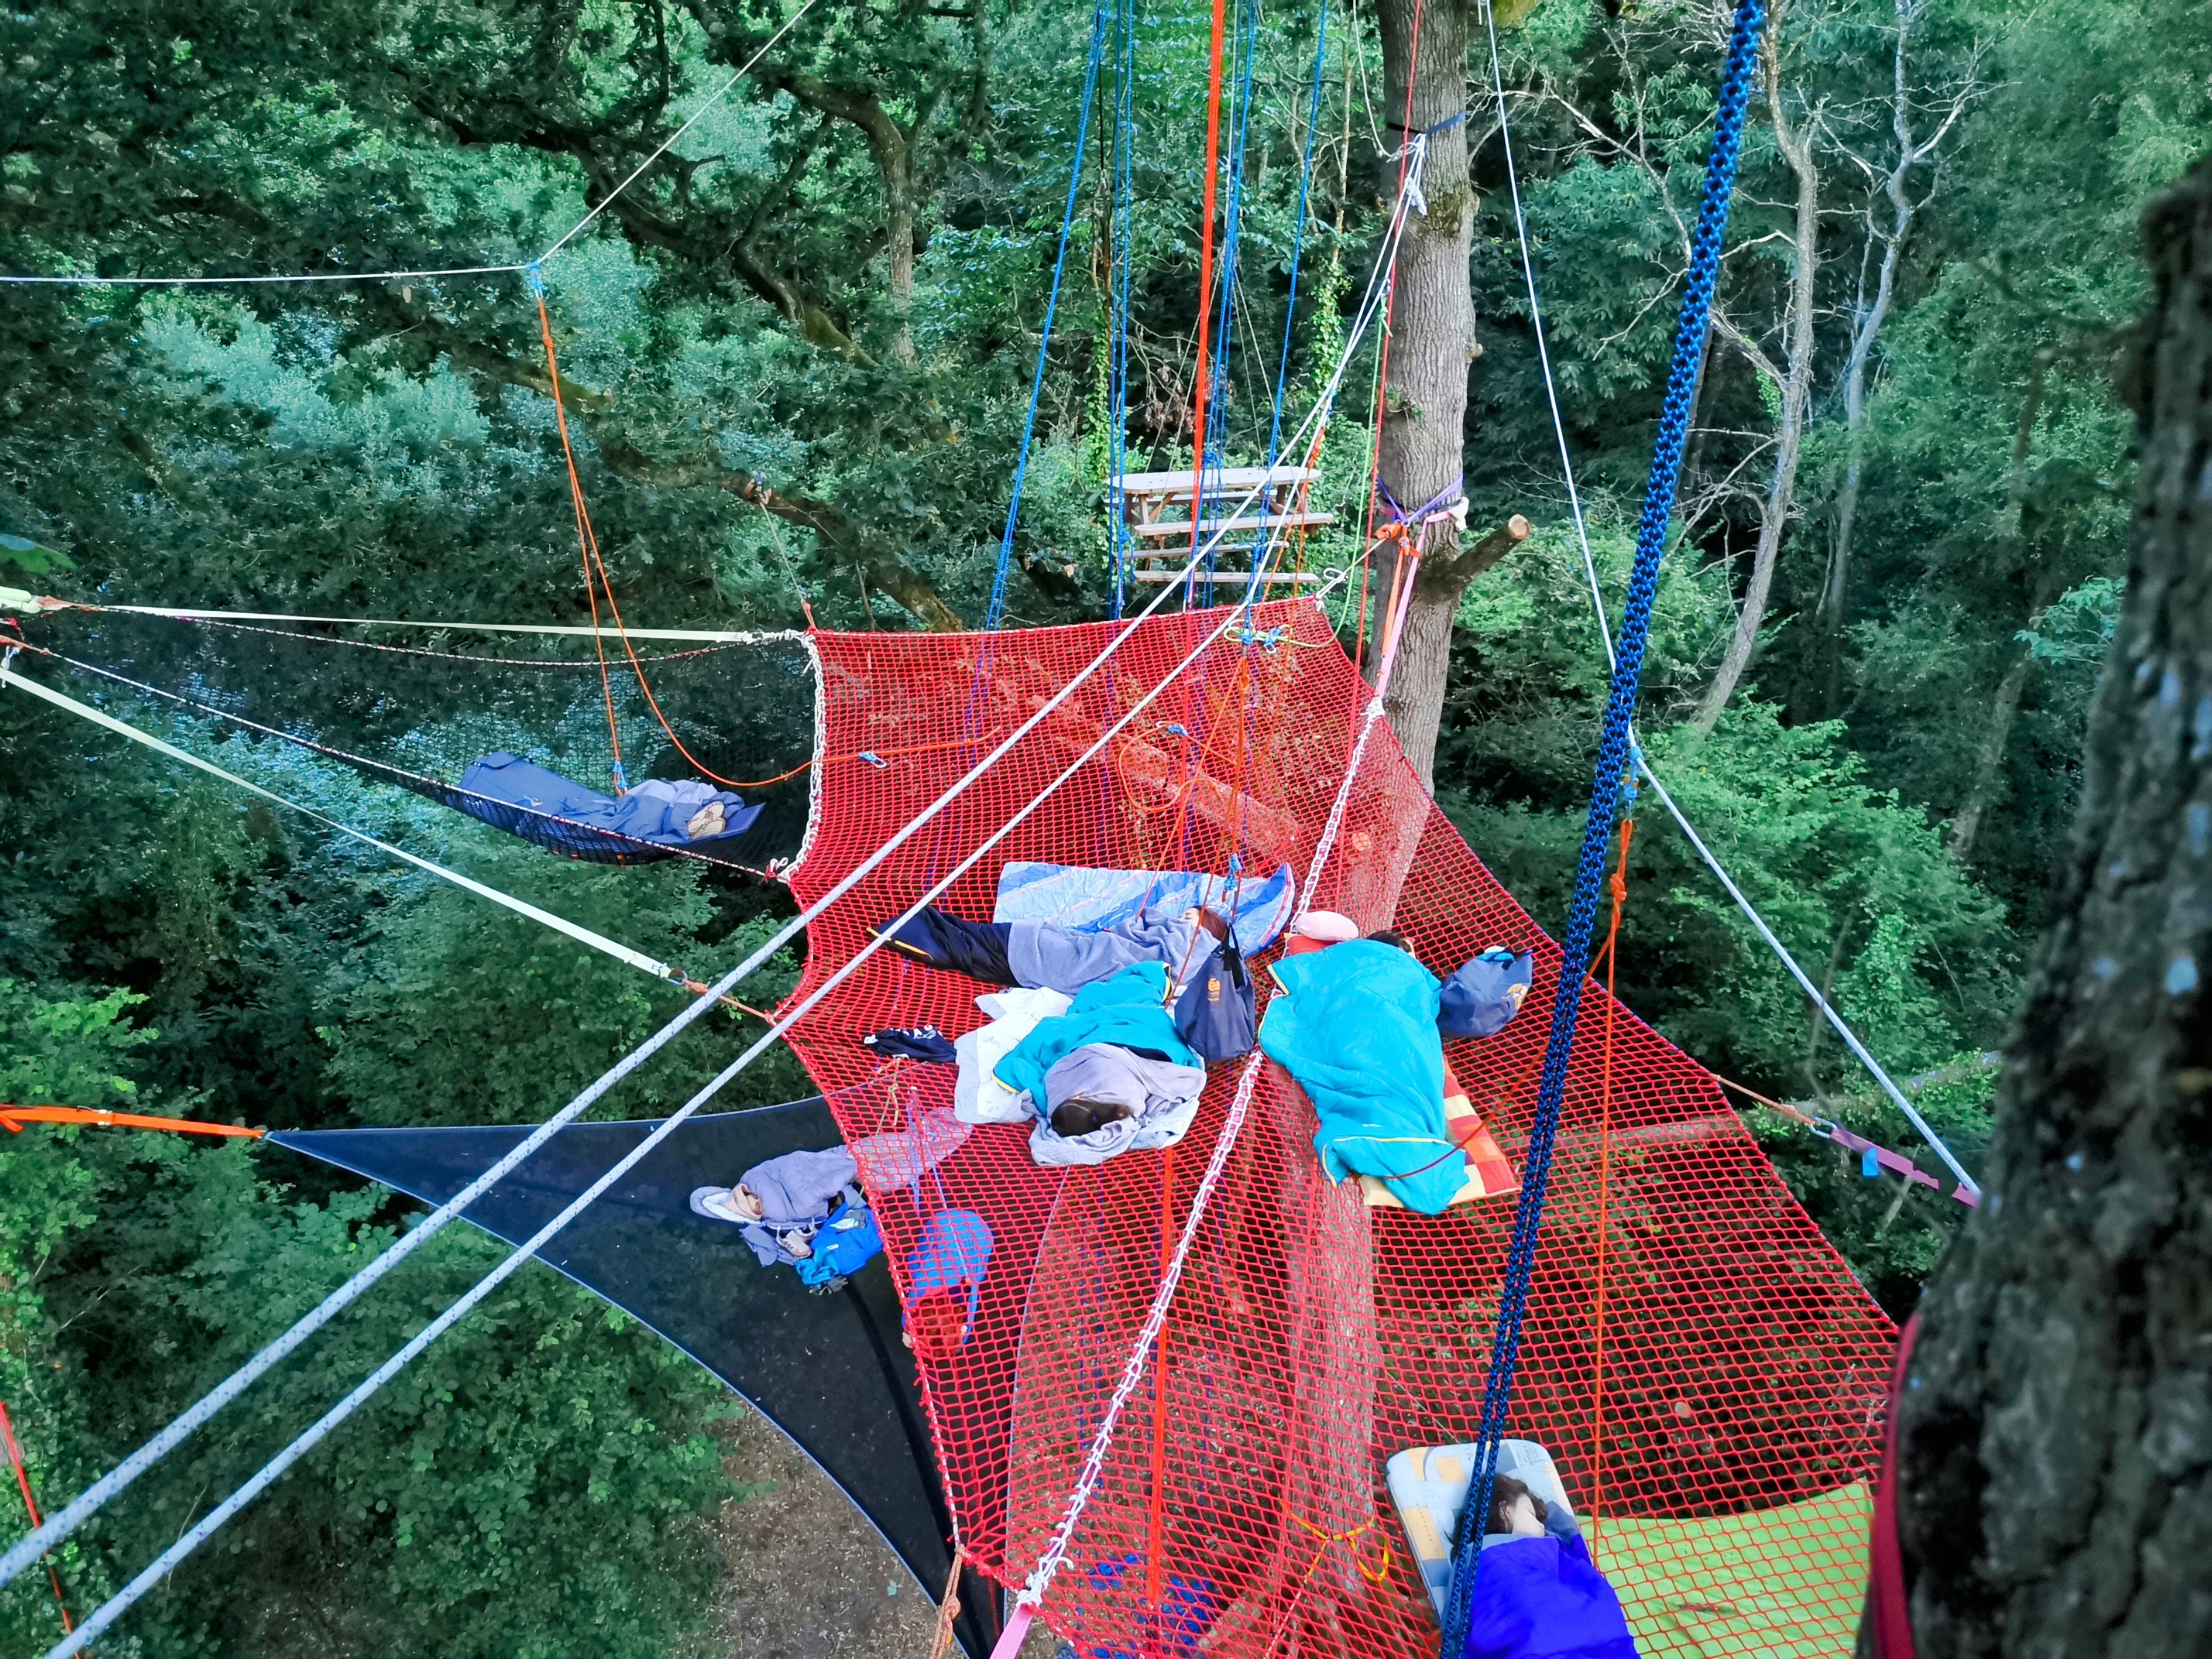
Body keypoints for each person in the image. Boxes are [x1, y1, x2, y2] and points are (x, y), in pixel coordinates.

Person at [873, 903, 1228, 996]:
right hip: (1046, 956)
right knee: (962, 946)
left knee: (961, 941)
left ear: (1204, 927)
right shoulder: (1200, 977)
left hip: (1043, 952)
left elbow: (1134, 928)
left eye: (1188, 916)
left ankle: (886, 924)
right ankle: (888, 926)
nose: (1178, 918)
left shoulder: (1188, 939)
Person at [1463, 1476, 1638, 1659]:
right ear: (1505, 1510)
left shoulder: (1554, 1558)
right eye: (1532, 1514)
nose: (1541, 1526)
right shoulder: (1486, 1561)